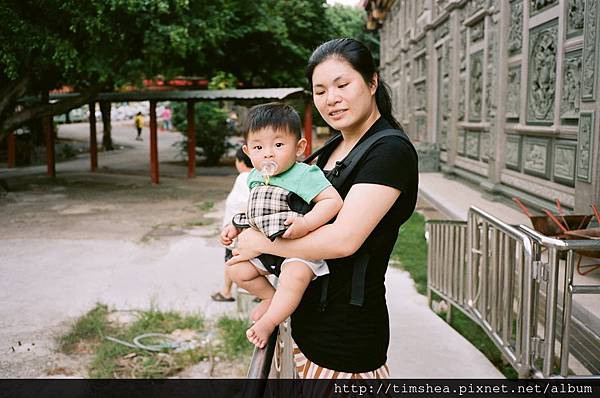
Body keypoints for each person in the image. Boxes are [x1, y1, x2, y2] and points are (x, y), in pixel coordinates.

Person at [227, 38, 418, 379]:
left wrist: (261, 244)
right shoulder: (335, 145)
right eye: (320, 91)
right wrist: (245, 229)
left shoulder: (389, 151)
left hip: (344, 338)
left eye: (342, 85)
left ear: (372, 82)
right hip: (308, 321)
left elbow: (344, 240)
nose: (331, 99)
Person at [223, 103, 343, 349]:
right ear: (247, 151)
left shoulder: (303, 174)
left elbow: (333, 201)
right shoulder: (255, 177)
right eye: (258, 147)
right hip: (267, 250)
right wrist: (236, 226)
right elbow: (255, 210)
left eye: (278, 145)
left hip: (297, 248)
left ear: (299, 147)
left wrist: (306, 223)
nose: (268, 154)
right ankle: (270, 297)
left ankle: (269, 322)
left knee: (295, 276)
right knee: (235, 270)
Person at [211, 148, 253, 302]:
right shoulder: (258, 177)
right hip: (245, 231)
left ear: (241, 162)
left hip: (236, 231)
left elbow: (244, 203)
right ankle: (255, 295)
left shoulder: (243, 177)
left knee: (231, 261)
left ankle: (226, 292)